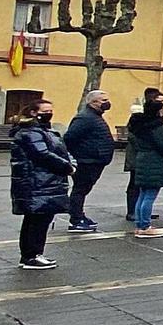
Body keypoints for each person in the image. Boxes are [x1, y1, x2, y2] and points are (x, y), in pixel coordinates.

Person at [10, 100, 74, 270]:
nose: (49, 113)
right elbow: (42, 154)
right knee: (37, 220)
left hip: (45, 181)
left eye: (51, 110)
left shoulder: (43, 131)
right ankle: (31, 256)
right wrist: (67, 167)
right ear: (33, 112)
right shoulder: (30, 132)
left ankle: (34, 254)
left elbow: (58, 151)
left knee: (39, 219)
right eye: (45, 110)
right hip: (37, 182)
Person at [63, 90, 114, 232]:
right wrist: (79, 155)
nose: (106, 103)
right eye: (103, 100)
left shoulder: (94, 117)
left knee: (83, 190)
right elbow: (69, 138)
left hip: (95, 160)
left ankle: (79, 215)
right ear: (93, 102)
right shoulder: (85, 118)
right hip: (87, 161)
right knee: (80, 190)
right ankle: (76, 219)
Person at [128, 99, 163, 238]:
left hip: (142, 158)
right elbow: (162, 144)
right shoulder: (156, 127)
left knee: (143, 194)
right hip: (154, 161)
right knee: (150, 195)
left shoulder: (139, 125)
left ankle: (140, 224)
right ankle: (145, 226)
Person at [124, 87, 163, 222]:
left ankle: (142, 212)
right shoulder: (139, 115)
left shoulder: (155, 115)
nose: (162, 105)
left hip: (144, 154)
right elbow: (134, 135)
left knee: (143, 186)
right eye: (159, 101)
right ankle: (133, 211)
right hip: (138, 155)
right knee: (135, 184)